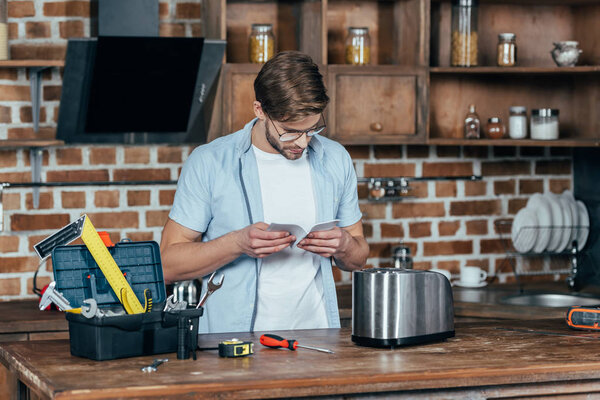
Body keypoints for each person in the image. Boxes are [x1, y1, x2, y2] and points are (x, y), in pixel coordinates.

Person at [160, 51, 369, 333]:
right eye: (290, 131)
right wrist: (237, 243)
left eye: (312, 130)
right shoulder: (210, 162)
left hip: (319, 342)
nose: (303, 143)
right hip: (233, 347)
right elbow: (167, 265)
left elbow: (358, 258)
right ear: (259, 111)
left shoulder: (335, 158)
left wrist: (344, 246)